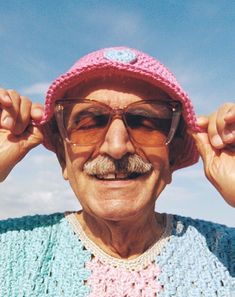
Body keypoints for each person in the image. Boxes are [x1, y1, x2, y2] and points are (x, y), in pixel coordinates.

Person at [0, 47, 234, 296]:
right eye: (88, 124)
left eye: (144, 123)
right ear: (62, 156)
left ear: (172, 156)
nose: (117, 147)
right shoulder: (10, 248)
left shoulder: (225, 252)